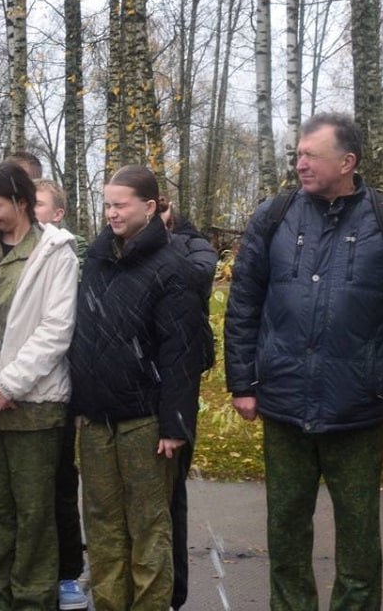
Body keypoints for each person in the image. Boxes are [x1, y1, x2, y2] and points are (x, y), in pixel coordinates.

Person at [224, 112, 383, 611]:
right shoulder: (272, 216)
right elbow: (244, 304)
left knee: (360, 540)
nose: (299, 164)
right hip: (283, 405)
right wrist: (242, 381)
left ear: (347, 161)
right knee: (286, 532)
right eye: (296, 154)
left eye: (310, 156)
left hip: (357, 409)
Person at [67, 166, 209, 610]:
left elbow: (181, 355)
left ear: (149, 208)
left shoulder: (173, 269)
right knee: (104, 529)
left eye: (120, 204)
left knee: (149, 531)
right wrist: (81, 402)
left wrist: (175, 426)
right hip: (96, 422)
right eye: (107, 203)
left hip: (146, 424)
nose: (111, 213)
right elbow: (84, 336)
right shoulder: (97, 258)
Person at [0, 161, 79, 611]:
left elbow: (56, 328)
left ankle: (33, 600)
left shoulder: (57, 252)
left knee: (35, 516)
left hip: (36, 408)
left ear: (21, 202)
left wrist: (8, 384)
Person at [156, 195, 216, 610]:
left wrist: (158, 244)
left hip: (179, 379)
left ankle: (173, 591)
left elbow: (194, 278)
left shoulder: (194, 247)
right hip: (135, 383)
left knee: (171, 494)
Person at [31, 177, 87, 610]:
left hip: (56, 389)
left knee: (60, 486)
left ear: (57, 212)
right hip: (9, 394)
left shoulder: (69, 257)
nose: (30, 210)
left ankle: (68, 574)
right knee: (22, 497)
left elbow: (65, 329)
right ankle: (29, 572)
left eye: (38, 203)